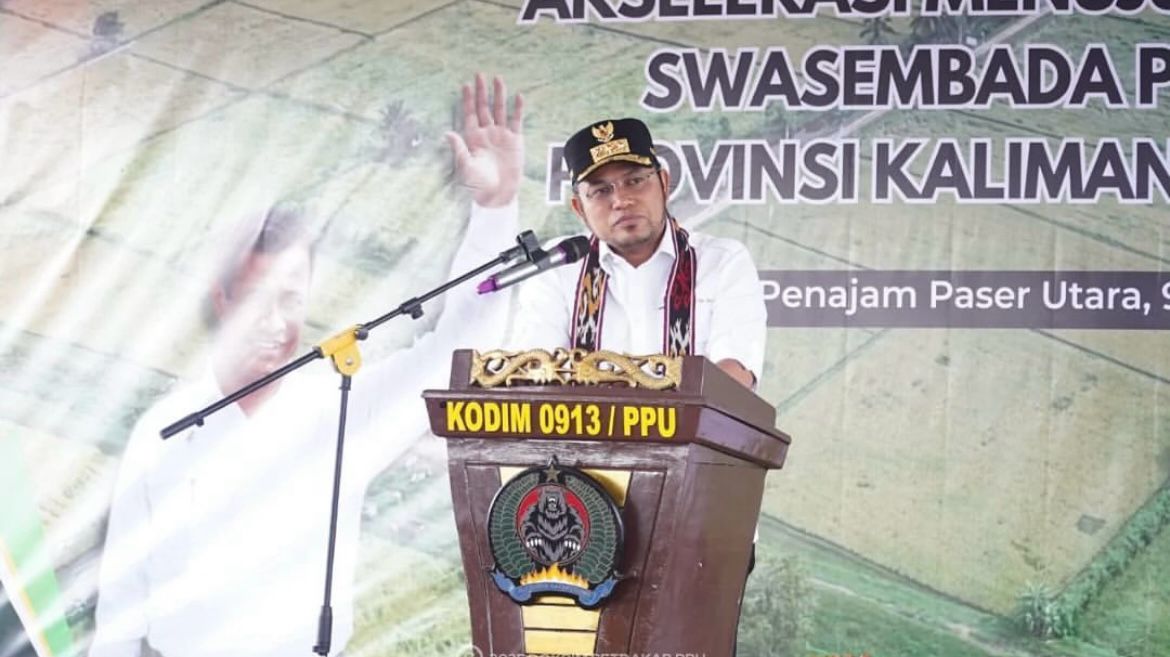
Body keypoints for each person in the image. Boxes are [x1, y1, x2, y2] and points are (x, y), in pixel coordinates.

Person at [89, 74, 524, 657]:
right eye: (256, 299)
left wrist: (494, 209)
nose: (274, 322)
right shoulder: (163, 431)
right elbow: (117, 624)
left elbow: (459, 352)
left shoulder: (342, 405)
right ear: (222, 299)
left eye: (291, 299)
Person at [512, 117, 766, 388]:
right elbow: (534, 375)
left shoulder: (721, 261)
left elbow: (735, 375)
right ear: (579, 209)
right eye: (600, 191)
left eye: (634, 180)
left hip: (692, 419)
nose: (621, 200)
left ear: (664, 183)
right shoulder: (558, 268)